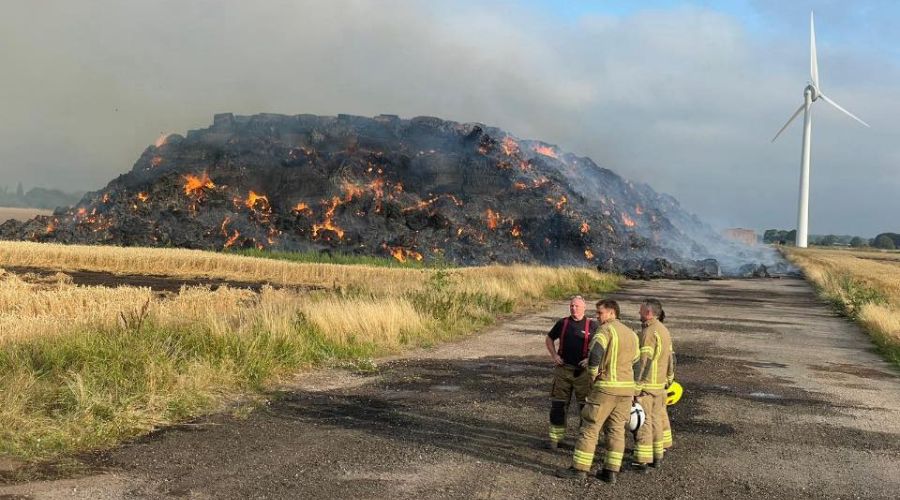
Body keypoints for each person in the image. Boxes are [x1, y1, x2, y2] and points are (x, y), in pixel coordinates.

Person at [556, 299, 640, 484]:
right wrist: (636, 387)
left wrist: (593, 374)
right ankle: (610, 472)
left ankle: (579, 469)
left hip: (606, 388)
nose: (597, 316)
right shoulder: (632, 334)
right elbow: (637, 363)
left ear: (611, 313)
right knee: (616, 430)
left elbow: (595, 354)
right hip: (626, 390)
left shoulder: (605, 330)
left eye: (600, 313)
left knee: (590, 427)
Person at [544, 296, 598, 449]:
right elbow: (549, 339)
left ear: (584, 308)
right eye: (571, 305)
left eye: (576, 306)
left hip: (583, 373)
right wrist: (554, 356)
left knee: (585, 408)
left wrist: (590, 359)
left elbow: (600, 347)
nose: (573, 308)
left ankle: (584, 441)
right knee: (558, 406)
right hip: (563, 371)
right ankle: (555, 439)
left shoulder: (593, 326)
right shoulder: (562, 323)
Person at [632, 298, 675, 472]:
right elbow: (672, 358)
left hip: (647, 387)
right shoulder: (664, 330)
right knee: (657, 420)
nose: (639, 313)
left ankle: (643, 459)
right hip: (660, 385)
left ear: (649, 313)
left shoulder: (649, 332)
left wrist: (637, 385)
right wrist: (669, 379)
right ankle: (657, 456)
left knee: (645, 422)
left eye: (641, 310)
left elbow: (644, 361)